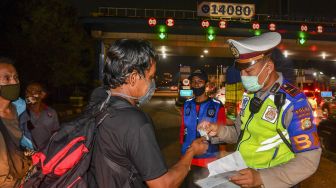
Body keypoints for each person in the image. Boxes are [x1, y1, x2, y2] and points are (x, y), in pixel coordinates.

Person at [198, 32, 321, 188]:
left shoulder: (293, 103)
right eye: (241, 71)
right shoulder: (250, 95)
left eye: (248, 71)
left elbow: (309, 160)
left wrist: (262, 177)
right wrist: (218, 131)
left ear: (269, 67)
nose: (243, 77)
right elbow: (239, 132)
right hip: (244, 174)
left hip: (272, 181)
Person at [88, 39, 209, 188]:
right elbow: (163, 185)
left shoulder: (97, 104)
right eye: (150, 77)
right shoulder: (135, 122)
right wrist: (191, 152)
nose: (152, 83)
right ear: (133, 78)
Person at [180, 69, 226, 187]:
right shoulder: (186, 105)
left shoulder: (216, 106)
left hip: (209, 160)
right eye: (193, 82)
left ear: (206, 84)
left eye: (199, 81)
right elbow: (182, 130)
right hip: (188, 159)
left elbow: (222, 133)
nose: (196, 85)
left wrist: (222, 154)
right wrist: (183, 155)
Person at [0, 57, 27, 187]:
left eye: (16, 77)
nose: (14, 82)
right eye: (7, 78)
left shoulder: (22, 109)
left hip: (25, 177)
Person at [20, 82, 59, 151]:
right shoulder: (20, 111)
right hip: (28, 153)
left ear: (42, 95)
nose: (29, 94)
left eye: (33, 91)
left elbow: (56, 134)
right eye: (27, 91)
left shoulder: (51, 113)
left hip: (47, 153)